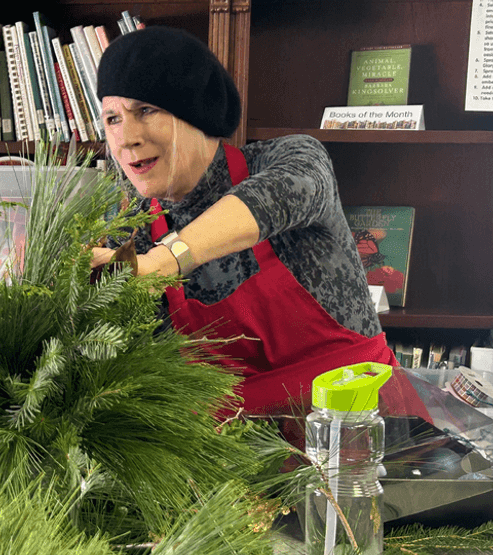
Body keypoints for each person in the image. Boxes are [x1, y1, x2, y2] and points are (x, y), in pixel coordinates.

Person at [91, 26, 429, 419]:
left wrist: (160, 263)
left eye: (145, 111)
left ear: (195, 111)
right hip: (236, 460)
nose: (126, 138)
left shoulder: (291, 158)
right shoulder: (130, 222)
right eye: (112, 119)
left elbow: (270, 199)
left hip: (361, 431)